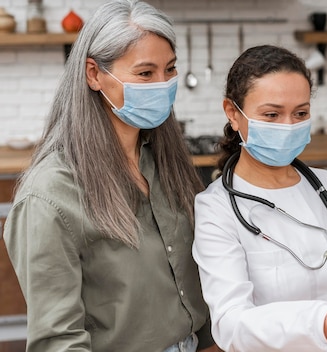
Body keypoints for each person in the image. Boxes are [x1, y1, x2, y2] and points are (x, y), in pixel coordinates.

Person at [2, 1, 216, 351]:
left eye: (170, 69)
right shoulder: (49, 198)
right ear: (94, 74)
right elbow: (59, 342)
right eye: (145, 74)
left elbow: (195, 279)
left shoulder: (164, 162)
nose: (162, 85)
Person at [192, 44, 327, 351]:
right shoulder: (217, 209)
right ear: (233, 114)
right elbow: (231, 324)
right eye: (272, 114)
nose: (288, 126)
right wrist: (323, 324)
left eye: (300, 113)